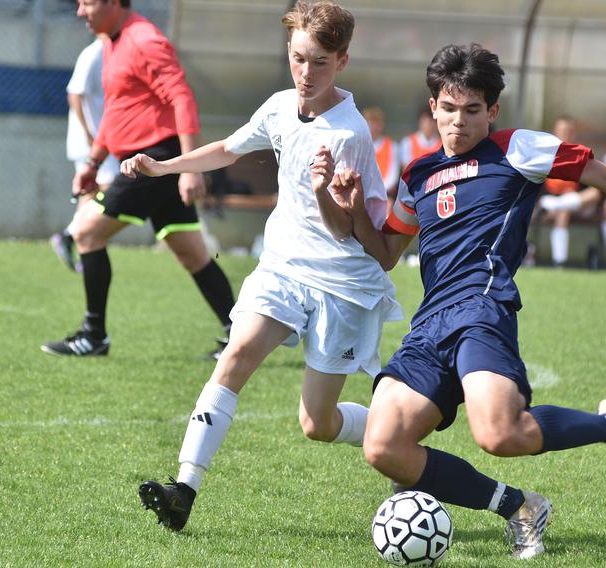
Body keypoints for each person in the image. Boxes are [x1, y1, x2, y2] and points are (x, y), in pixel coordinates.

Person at [327, 43, 606, 559]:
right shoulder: (416, 176)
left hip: (482, 309)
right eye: (448, 109)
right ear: (433, 108)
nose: (459, 122)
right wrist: (355, 208)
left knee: (499, 433)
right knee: (383, 447)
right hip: (429, 324)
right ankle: (520, 506)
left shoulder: (518, 148)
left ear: (492, 111)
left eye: (473, 111)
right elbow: (384, 252)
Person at [126, 0, 402, 532]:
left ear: (342, 61)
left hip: (342, 281)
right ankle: (183, 490)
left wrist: (327, 191)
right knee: (234, 357)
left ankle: (396, 435)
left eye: (319, 62)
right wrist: (163, 166)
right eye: (298, 58)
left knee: (316, 423)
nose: (305, 72)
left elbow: (349, 230)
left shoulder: (348, 133)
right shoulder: (278, 106)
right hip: (281, 268)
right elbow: (229, 149)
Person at [41, 0, 237, 357]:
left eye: (87, 2)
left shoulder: (145, 40)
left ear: (114, 3)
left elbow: (182, 98)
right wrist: (93, 161)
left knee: (85, 234)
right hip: (145, 159)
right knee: (192, 253)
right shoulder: (113, 43)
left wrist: (189, 167)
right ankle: (238, 333)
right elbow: (117, 110)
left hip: (152, 161)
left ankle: (93, 335)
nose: (80, 11)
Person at [50, 34, 121, 273]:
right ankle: (72, 235)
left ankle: (76, 239)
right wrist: (89, 134)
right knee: (111, 184)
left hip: (102, 140)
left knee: (91, 192)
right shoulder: (93, 53)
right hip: (91, 142)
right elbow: (74, 94)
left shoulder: (113, 53)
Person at [538, 116, 582, 267]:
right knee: (563, 212)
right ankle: (560, 262)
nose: (566, 134)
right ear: (555, 132)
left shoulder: (580, 155)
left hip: (576, 201)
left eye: (569, 131)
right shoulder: (545, 154)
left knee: (594, 194)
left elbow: (589, 188)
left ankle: (562, 204)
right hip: (549, 201)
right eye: (563, 131)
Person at [363, 106, 401, 199]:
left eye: (378, 123)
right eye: (371, 123)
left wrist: (378, 191)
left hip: (385, 195)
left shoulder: (392, 146)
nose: (374, 127)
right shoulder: (360, 145)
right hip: (363, 194)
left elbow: (393, 175)